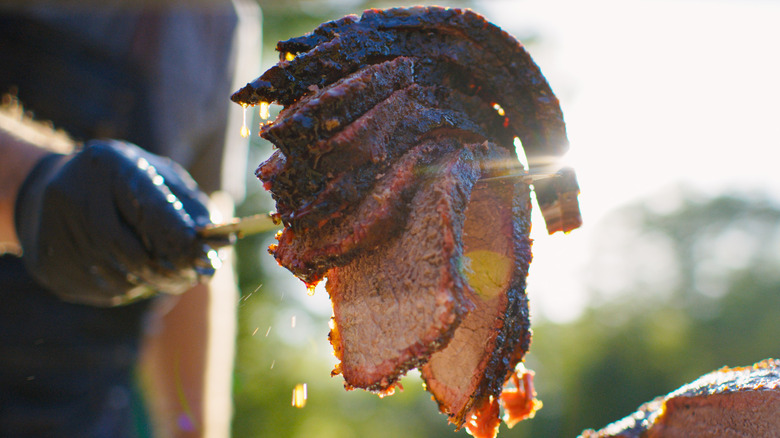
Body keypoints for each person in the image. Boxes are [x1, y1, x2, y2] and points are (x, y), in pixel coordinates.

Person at [0, 1, 261, 436]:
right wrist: (28, 181)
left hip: (84, 412)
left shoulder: (220, 22)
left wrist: (191, 429)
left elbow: (199, 244)